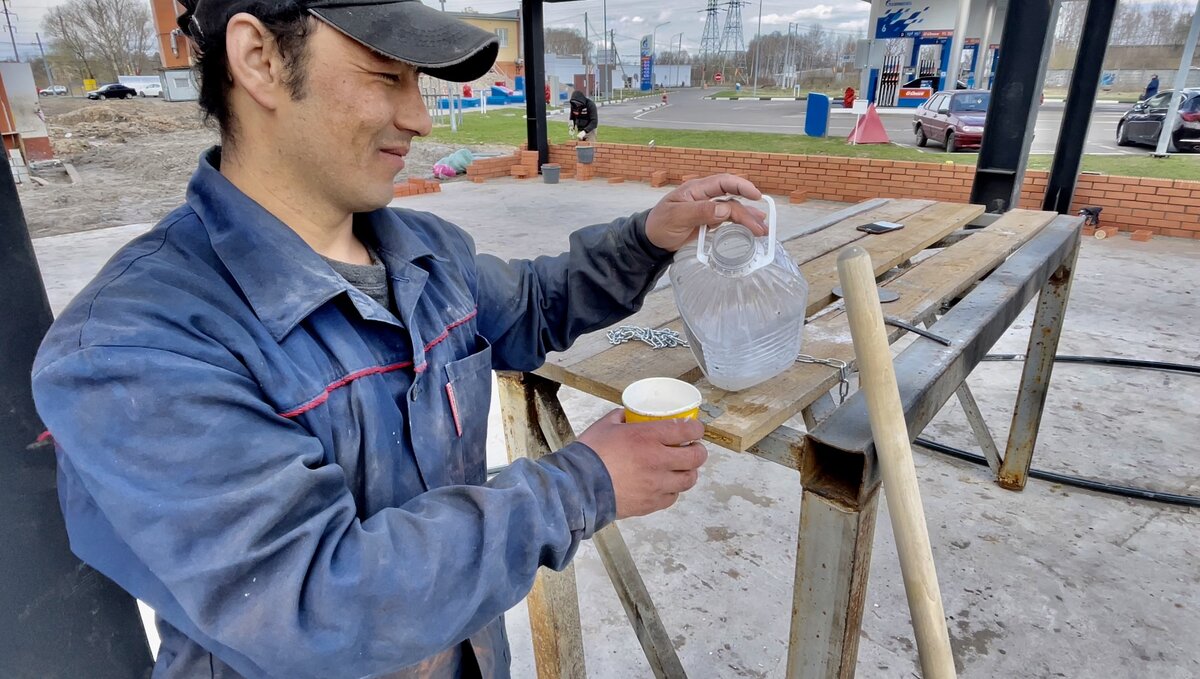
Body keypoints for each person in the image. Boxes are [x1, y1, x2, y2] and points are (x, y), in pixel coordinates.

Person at [29, 1, 767, 678]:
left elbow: (534, 304)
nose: (418, 116)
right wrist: (581, 484)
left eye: (417, 81)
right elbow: (315, 602)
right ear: (257, 58)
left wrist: (648, 236)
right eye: (385, 76)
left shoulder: (424, 253)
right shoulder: (135, 346)